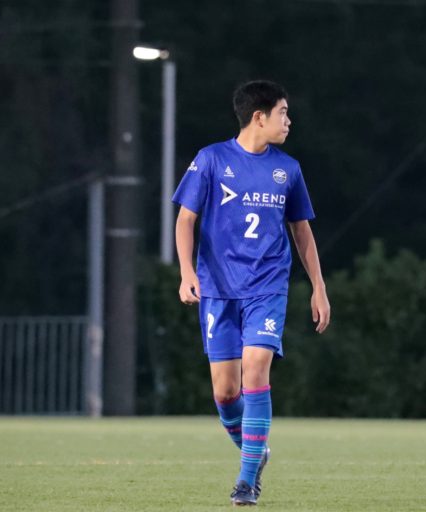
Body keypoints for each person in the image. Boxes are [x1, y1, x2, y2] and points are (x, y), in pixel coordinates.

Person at [172, 80, 331, 506]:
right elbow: (185, 219)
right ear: (259, 117)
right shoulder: (211, 159)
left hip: (267, 285)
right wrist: (187, 272)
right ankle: (256, 452)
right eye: (283, 112)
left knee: (256, 368)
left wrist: (319, 287)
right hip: (219, 287)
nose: (289, 121)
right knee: (226, 393)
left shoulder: (288, 169)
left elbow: (302, 232)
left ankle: (246, 481)